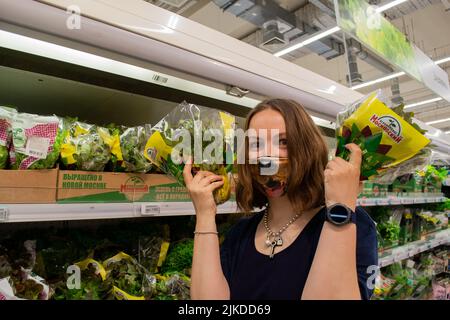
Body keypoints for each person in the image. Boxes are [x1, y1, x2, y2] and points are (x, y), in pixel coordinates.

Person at [183, 99, 378, 300]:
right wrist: (205, 214)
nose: (267, 155)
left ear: (308, 148)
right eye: (256, 143)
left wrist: (340, 208)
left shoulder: (353, 224)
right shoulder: (240, 234)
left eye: (283, 142)